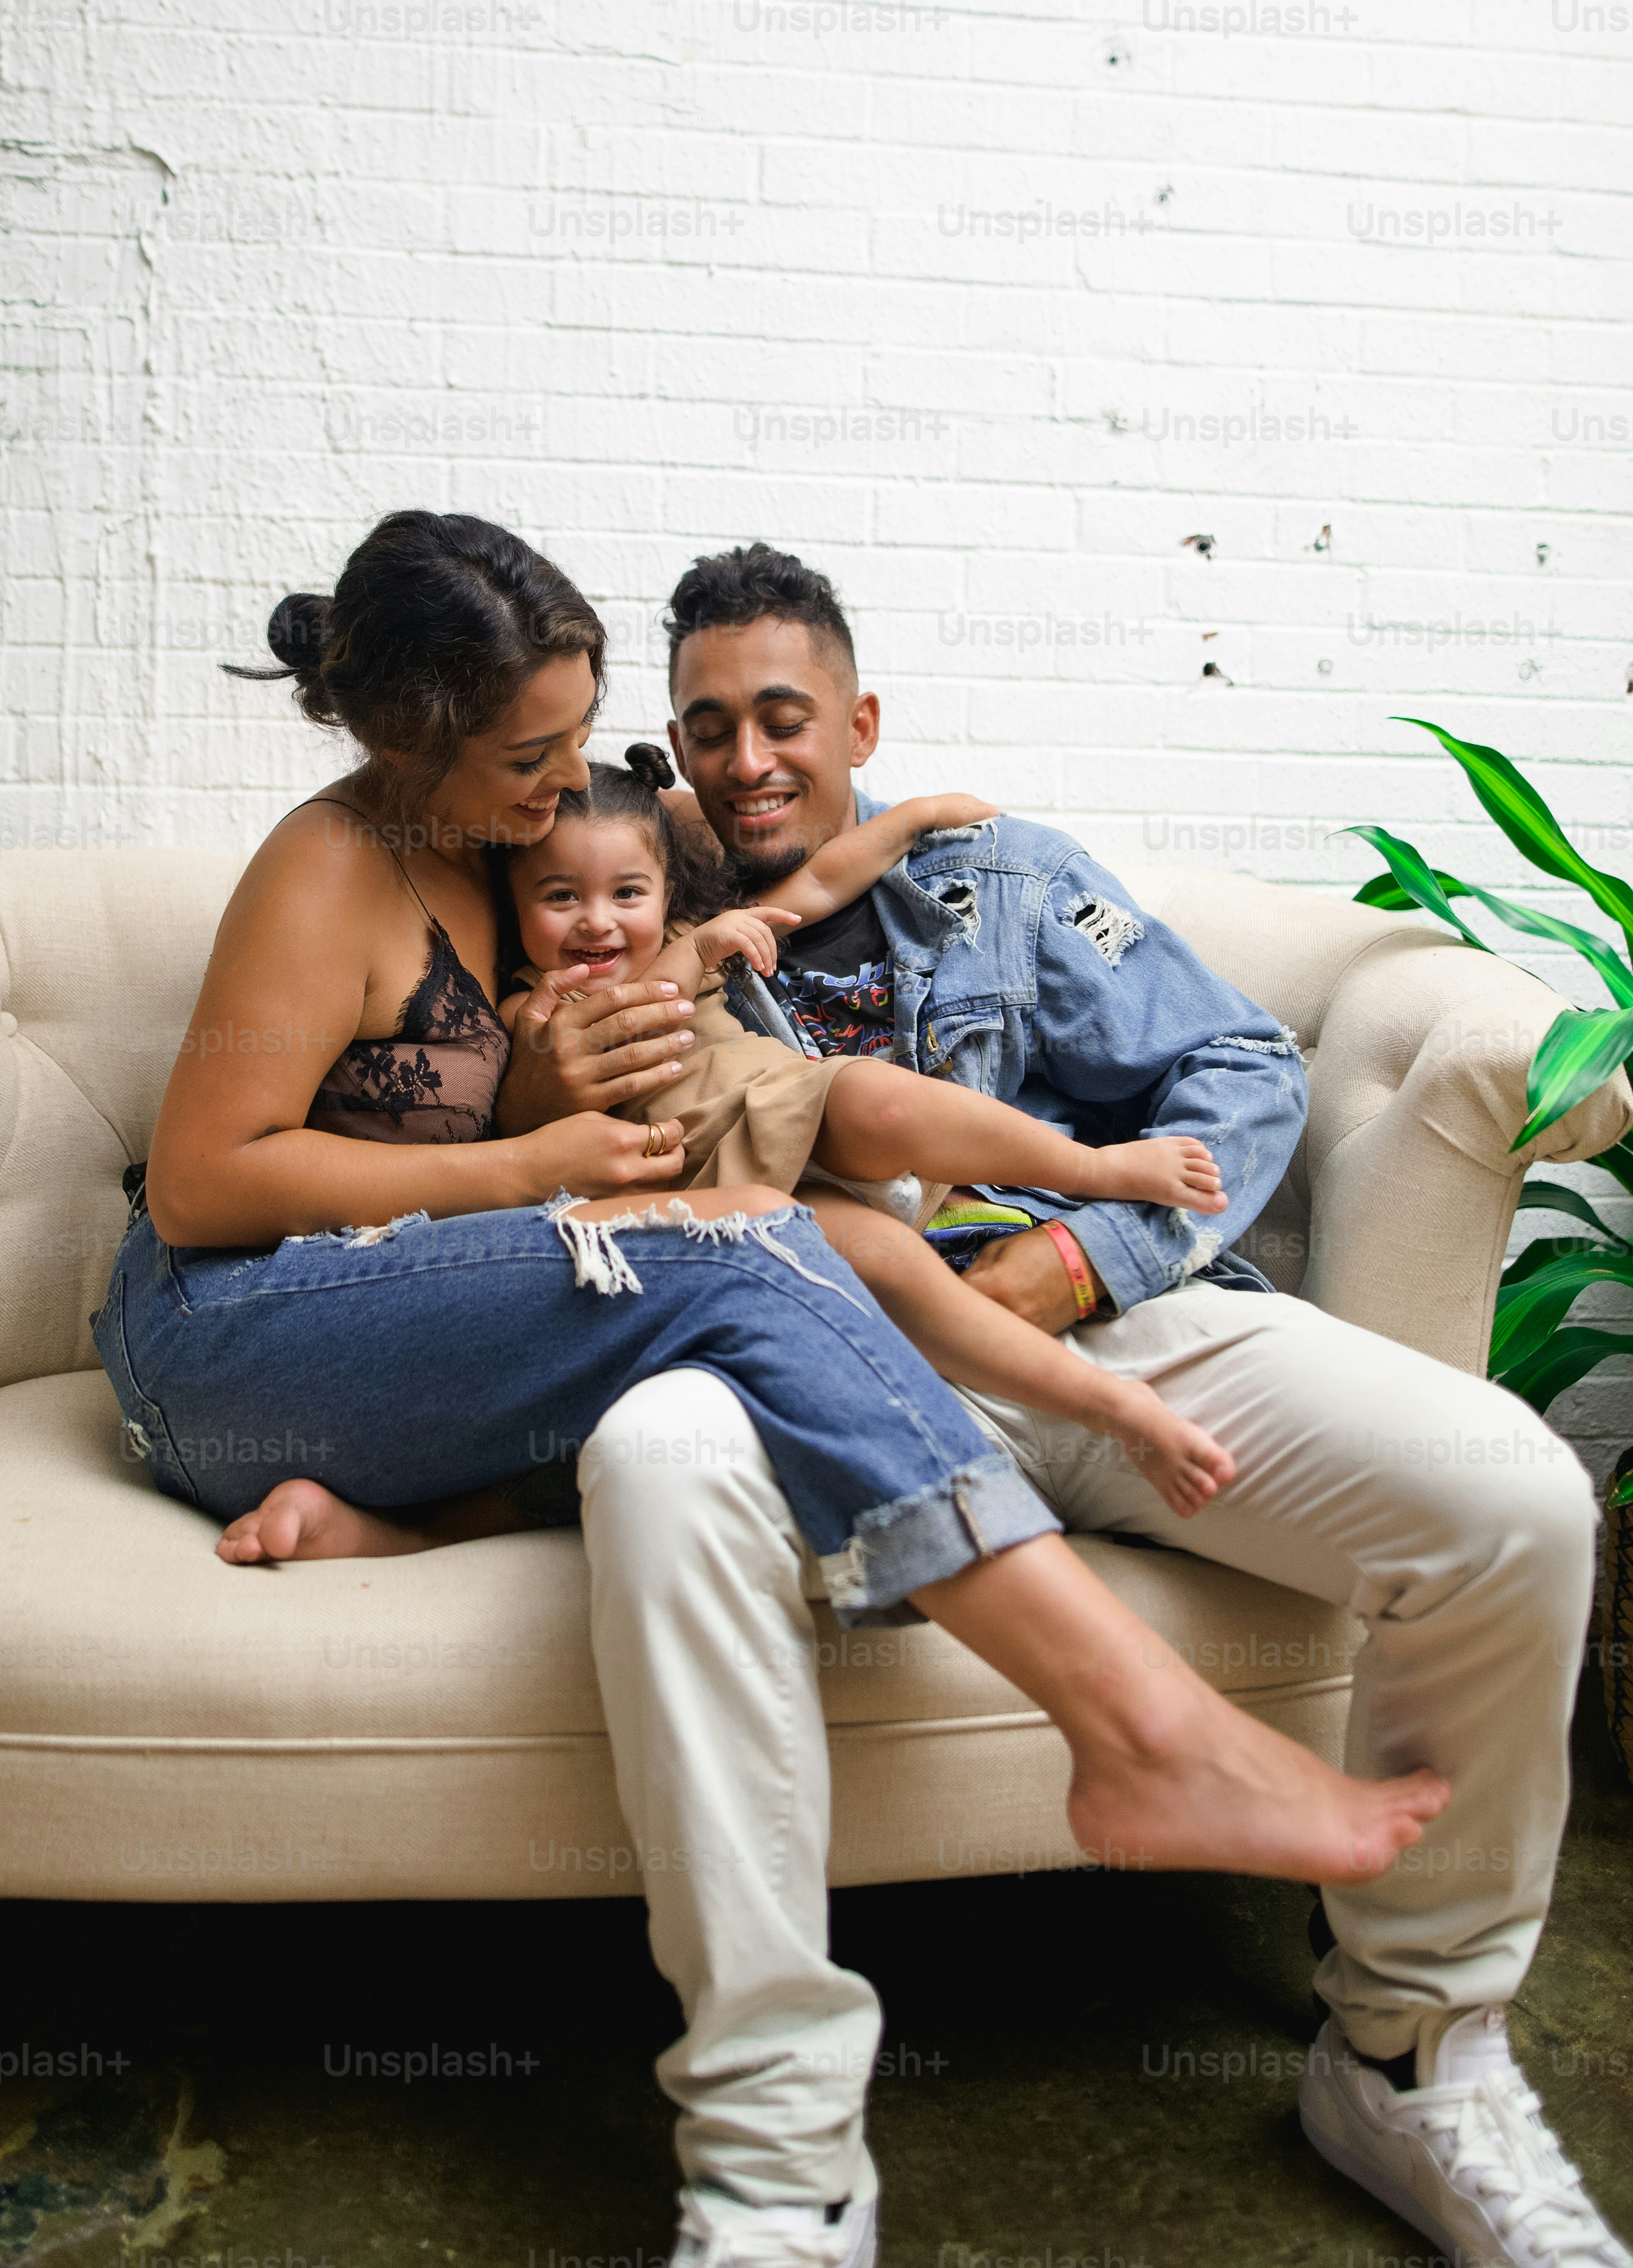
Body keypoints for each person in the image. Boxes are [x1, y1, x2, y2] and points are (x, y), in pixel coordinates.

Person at [106, 509, 1448, 2268]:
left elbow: (775, 888)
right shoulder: (329, 867)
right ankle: (1135, 1729)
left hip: (407, 1336)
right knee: (741, 1249)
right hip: (227, 1345)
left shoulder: (532, 841)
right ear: (407, 740)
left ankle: (412, 1521)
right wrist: (527, 1173)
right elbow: (203, 1186)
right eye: (528, 756)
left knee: (757, 1244)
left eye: (581, 738)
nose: (567, 782)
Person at [506, 535, 1616, 2268]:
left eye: (779, 716)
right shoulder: (635, 916)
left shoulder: (1000, 881)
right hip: (793, 1360)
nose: (743, 760)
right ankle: (773, 2163)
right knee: (649, 1454)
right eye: (705, 726)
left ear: (856, 718)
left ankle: (1407, 2054)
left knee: (1515, 1497)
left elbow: (1239, 1065)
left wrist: (1082, 1260)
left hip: (1088, 1330)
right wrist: (542, 1078)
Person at [499, 746, 1235, 1518]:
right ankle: (1111, 1407)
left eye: (626, 892)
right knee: (899, 1273)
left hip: (795, 1106)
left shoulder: (691, 931)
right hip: (724, 1193)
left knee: (883, 1099)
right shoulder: (534, 1009)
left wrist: (913, 818)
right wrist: (697, 948)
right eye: (559, 897)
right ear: (513, 906)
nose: (597, 921)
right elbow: (560, 1079)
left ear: (663, 891)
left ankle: (1096, 1171)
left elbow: (819, 883)